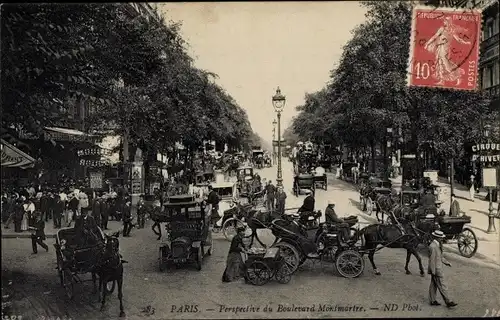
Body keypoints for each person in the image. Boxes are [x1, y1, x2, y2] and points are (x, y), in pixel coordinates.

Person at [428, 230, 457, 308]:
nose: (442, 239)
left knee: (433, 285)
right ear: (437, 238)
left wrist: (447, 262)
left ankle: (432, 300)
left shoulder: (436, 245)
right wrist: (433, 271)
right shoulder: (433, 246)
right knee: (442, 285)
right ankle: (448, 301)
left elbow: (440, 257)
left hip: (436, 268)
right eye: (440, 238)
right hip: (437, 269)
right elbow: (432, 260)